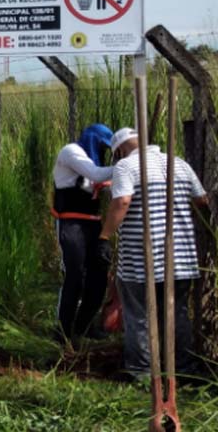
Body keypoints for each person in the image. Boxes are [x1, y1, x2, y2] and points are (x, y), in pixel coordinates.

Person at [99, 128, 208, 378]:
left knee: (139, 314)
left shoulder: (125, 166)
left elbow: (122, 202)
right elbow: (202, 200)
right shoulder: (178, 163)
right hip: (181, 257)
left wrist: (104, 236)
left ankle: (141, 372)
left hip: (142, 258)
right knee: (176, 312)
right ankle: (183, 368)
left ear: (119, 150)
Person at [51, 124, 114, 341]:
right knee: (74, 275)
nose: (104, 151)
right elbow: (94, 174)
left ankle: (84, 326)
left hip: (93, 224)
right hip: (71, 224)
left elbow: (104, 182)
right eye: (102, 146)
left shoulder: (96, 162)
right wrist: (129, 165)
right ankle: (63, 329)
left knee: (98, 277)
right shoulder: (72, 152)